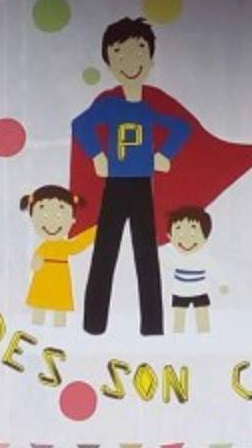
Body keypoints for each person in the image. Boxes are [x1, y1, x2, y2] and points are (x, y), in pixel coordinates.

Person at [72, 17, 190, 336]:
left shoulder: (148, 109)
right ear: (109, 61)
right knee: (105, 250)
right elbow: (80, 125)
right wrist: (98, 156)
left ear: (151, 61)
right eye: (119, 53)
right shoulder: (110, 106)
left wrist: (164, 155)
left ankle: (152, 326)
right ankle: (93, 324)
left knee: (146, 254)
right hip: (115, 185)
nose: (130, 61)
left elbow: (181, 128)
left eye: (139, 51)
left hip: (141, 186)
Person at [19, 185, 96, 327]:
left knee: (59, 308)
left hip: (60, 277)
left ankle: (58, 329)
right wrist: (36, 262)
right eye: (45, 216)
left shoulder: (63, 246)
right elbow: (37, 259)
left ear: (72, 220)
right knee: (40, 306)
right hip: (44, 277)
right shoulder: (44, 248)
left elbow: (77, 245)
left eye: (60, 216)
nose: (52, 223)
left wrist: (93, 232)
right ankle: (37, 327)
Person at [164, 206, 227, 334]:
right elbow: (163, 264)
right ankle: (178, 337)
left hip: (200, 291)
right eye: (179, 233)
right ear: (169, 236)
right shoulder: (173, 255)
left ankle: (204, 336)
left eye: (193, 234)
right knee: (179, 318)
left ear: (205, 237)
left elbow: (214, 270)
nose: (186, 240)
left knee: (202, 316)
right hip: (180, 292)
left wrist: (222, 283)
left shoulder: (204, 258)